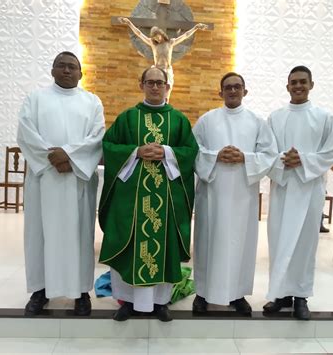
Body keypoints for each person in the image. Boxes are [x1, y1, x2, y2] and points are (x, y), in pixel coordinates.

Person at [98, 67, 198, 322]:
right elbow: (108, 147)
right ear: (141, 84)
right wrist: (135, 152)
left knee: (164, 247)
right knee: (129, 245)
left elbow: (190, 151)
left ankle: (161, 302)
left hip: (167, 201)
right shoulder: (127, 118)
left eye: (159, 82)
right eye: (150, 82)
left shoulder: (178, 120)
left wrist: (167, 152)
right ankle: (126, 302)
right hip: (131, 199)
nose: (155, 87)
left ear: (167, 86)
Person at [17, 51, 105, 316]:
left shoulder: (92, 102)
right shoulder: (36, 99)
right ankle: (40, 291)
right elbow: (25, 131)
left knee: (80, 235)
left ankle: (81, 293)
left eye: (72, 67)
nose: (67, 70)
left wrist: (68, 155)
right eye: (61, 66)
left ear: (81, 73)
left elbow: (97, 136)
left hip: (77, 181)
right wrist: (52, 158)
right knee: (40, 235)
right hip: (45, 180)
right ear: (53, 70)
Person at [192, 72, 277, 314]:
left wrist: (244, 157)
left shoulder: (257, 122)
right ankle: (202, 293)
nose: (232, 91)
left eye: (237, 87)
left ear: (245, 91)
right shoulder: (207, 120)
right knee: (208, 241)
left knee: (240, 243)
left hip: (242, 196)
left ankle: (237, 294)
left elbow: (269, 155)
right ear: (220, 92)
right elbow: (193, 151)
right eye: (227, 87)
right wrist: (216, 155)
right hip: (212, 194)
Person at [263, 66, 333, 320]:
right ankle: (281, 294)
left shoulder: (324, 117)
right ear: (287, 87)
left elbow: (332, 152)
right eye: (293, 82)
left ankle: (301, 297)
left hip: (309, 190)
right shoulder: (275, 117)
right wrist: (283, 160)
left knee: (305, 245)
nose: (298, 86)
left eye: (302, 82)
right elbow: (266, 150)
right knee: (279, 241)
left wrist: (303, 160)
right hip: (283, 188)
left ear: (311, 85)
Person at [118, 17, 208, 98]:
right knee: (154, 92)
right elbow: (139, 34)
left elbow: (185, 35)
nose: (156, 39)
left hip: (167, 70)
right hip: (157, 70)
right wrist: (129, 23)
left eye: (157, 36)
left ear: (161, 34)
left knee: (167, 94)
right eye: (154, 37)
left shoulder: (170, 43)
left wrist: (196, 27)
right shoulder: (153, 44)